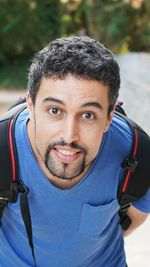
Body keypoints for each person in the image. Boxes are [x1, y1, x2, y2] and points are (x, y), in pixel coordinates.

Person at [0, 35, 150, 267]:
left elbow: (133, 219)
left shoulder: (138, 153)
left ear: (109, 117)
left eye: (88, 115)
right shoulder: (3, 149)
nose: (69, 136)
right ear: (30, 105)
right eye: (54, 111)